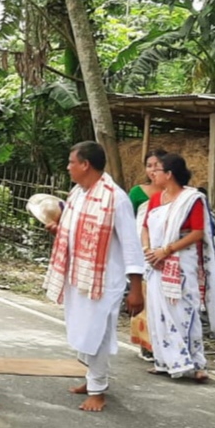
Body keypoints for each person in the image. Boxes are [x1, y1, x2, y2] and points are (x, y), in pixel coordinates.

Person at [44, 142, 145, 412]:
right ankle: (91, 380)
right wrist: (59, 230)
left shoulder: (116, 198)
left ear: (85, 165)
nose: (68, 167)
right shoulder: (79, 193)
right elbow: (75, 229)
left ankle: (98, 390)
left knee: (97, 333)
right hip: (80, 275)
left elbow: (131, 245)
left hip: (104, 281)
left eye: (71, 162)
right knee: (83, 330)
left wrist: (137, 289)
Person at [139, 153, 215, 382]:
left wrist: (167, 250)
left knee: (185, 310)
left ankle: (194, 362)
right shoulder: (156, 200)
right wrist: (148, 248)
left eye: (158, 169)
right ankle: (165, 360)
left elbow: (197, 232)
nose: (153, 172)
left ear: (169, 174)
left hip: (181, 261)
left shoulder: (190, 199)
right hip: (156, 261)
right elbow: (146, 226)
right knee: (158, 310)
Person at [126, 148, 166, 361]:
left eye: (157, 166)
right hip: (141, 249)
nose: (152, 170)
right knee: (143, 293)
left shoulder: (174, 193)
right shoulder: (137, 193)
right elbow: (129, 220)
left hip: (165, 251)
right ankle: (146, 344)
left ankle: (164, 343)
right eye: (149, 166)